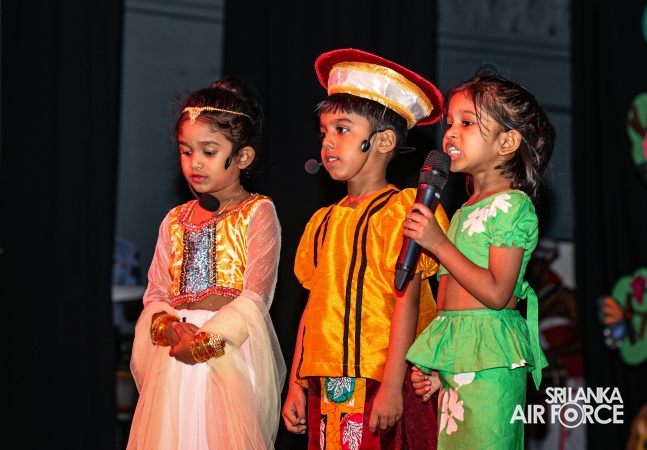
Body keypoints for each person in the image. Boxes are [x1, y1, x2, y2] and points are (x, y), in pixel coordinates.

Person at [281, 48, 450, 450]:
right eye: (324, 132)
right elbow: (312, 307)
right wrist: (295, 384)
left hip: (381, 377)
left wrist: (392, 385)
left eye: (342, 129)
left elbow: (407, 299)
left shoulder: (405, 210)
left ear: (384, 140)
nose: (327, 142)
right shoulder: (322, 221)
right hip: (323, 379)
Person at [127, 76, 286, 450]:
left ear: (242, 157)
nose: (194, 162)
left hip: (225, 355)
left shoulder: (257, 212)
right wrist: (170, 330)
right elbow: (155, 295)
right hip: (174, 359)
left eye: (209, 151)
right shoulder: (175, 220)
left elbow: (255, 297)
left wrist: (205, 343)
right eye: (186, 151)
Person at [405, 63, 555, 449]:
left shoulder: (512, 205)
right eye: (449, 123)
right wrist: (442, 370)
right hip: (461, 367)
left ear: (507, 143)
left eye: (467, 123)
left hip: (493, 367)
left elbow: (496, 294)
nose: (451, 132)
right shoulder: (462, 211)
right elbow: (454, 301)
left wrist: (438, 244)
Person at [525, 237, 586, 450]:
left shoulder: (564, 296)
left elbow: (587, 341)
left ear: (544, 263)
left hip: (570, 384)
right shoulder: (523, 301)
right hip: (542, 389)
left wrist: (550, 355)